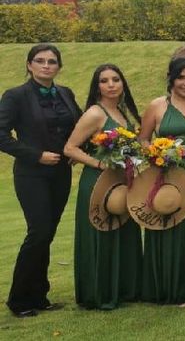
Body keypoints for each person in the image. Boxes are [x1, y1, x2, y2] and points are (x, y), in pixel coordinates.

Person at [0, 44, 81, 318]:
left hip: (61, 173)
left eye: (52, 61)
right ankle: (19, 300)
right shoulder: (16, 96)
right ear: (29, 65)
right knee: (38, 232)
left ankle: (39, 295)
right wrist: (36, 156)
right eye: (40, 61)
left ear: (59, 66)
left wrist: (76, 151)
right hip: (31, 174)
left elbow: (79, 127)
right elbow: (2, 135)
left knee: (47, 234)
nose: (46, 65)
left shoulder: (66, 94)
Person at [64, 64, 143, 310]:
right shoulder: (95, 114)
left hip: (121, 180)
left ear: (123, 83)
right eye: (104, 81)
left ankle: (125, 288)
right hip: (98, 181)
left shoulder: (123, 112)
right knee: (101, 233)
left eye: (116, 79)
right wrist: (99, 164)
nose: (111, 85)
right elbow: (70, 148)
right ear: (96, 86)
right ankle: (98, 292)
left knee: (123, 232)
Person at [138, 57, 185, 305]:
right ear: (171, 78)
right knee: (170, 224)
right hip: (168, 172)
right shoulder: (158, 106)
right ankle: (168, 287)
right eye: (181, 77)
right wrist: (158, 153)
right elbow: (143, 140)